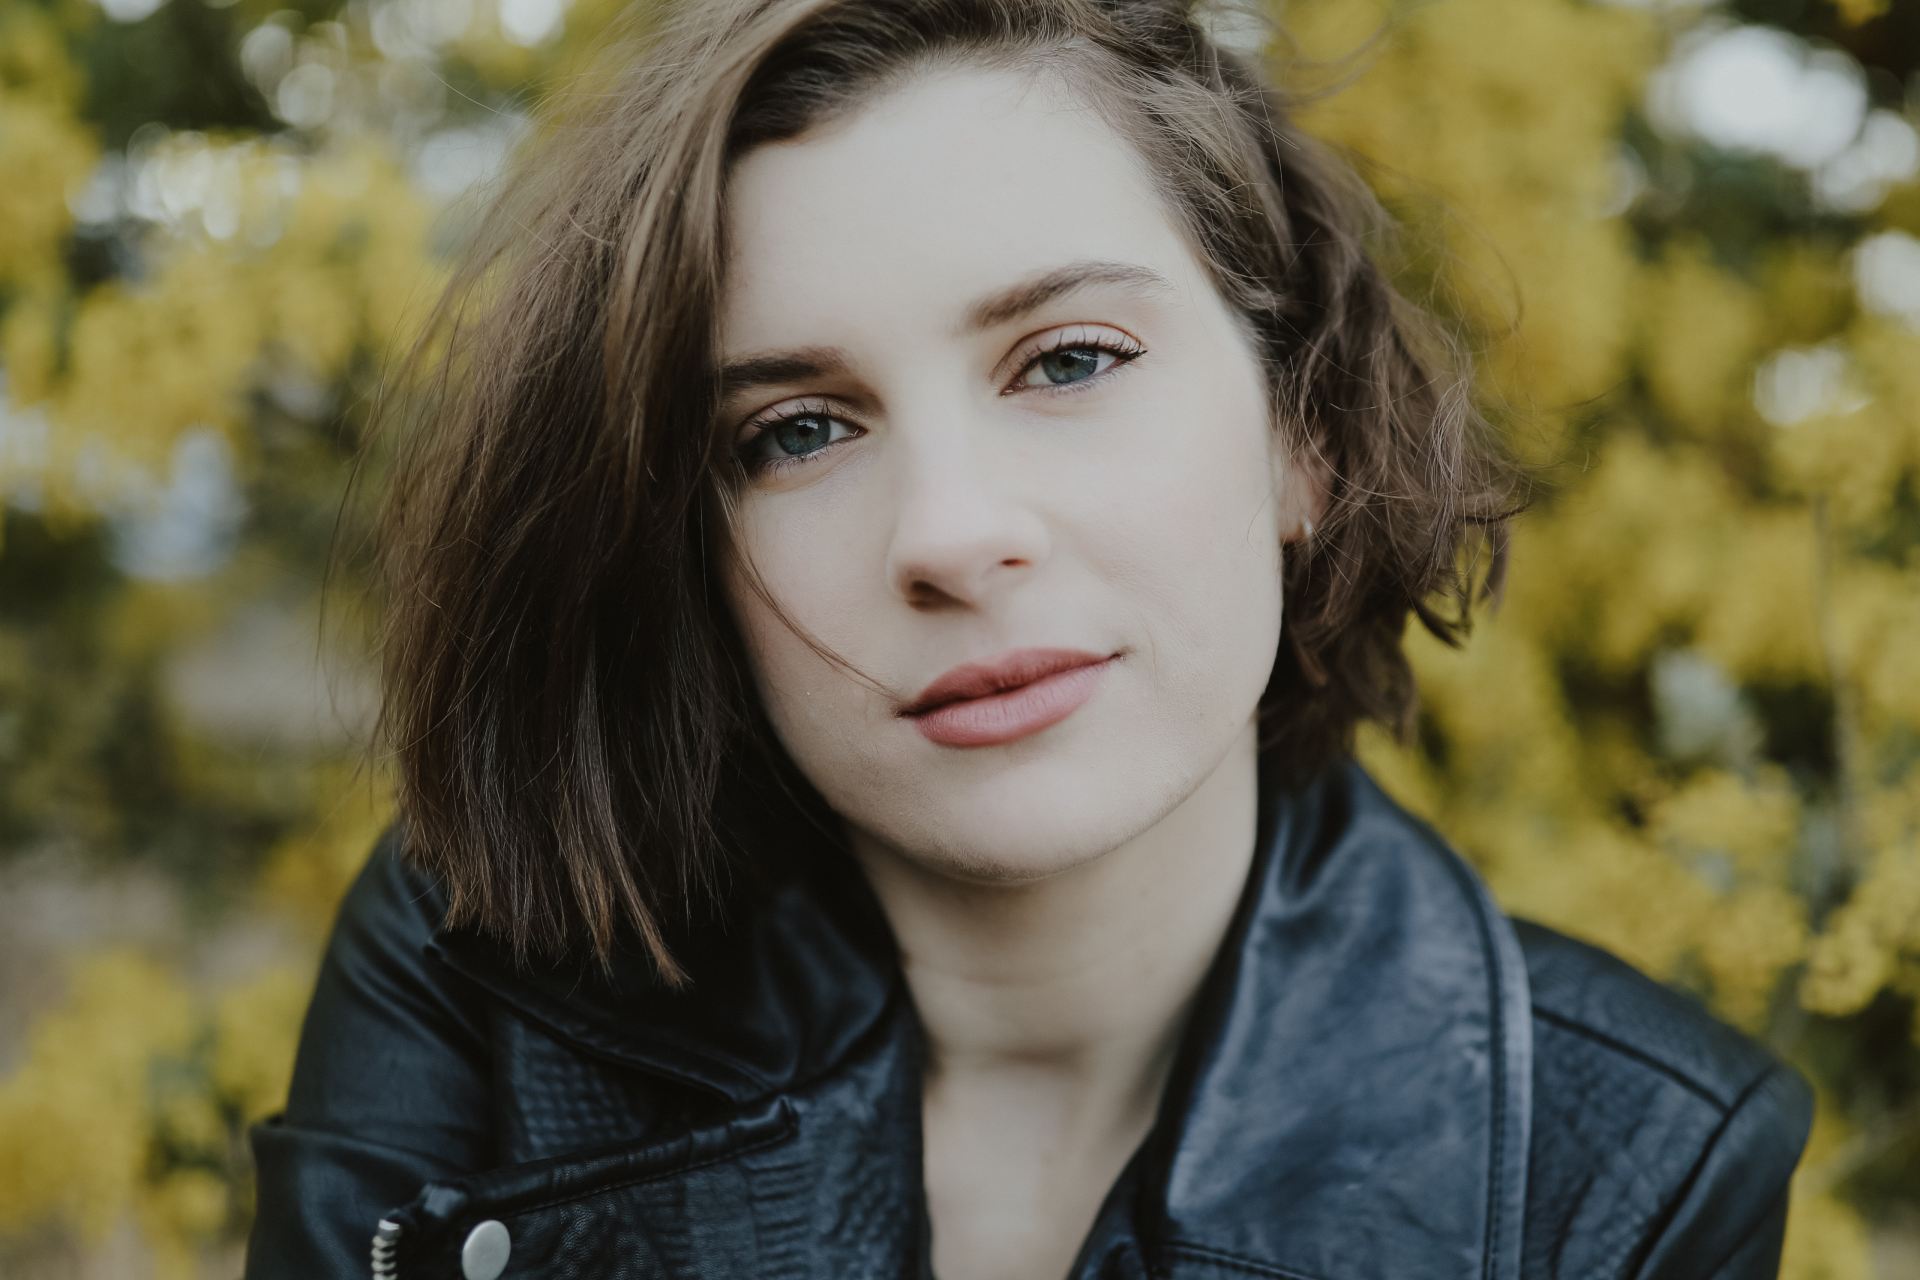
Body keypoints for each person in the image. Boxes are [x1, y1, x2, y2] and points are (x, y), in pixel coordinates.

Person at [244, 1, 1815, 1277]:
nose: (946, 532)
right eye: (794, 434)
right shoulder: (491, 962)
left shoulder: (1638, 1166)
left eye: (1067, 361)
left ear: (1303, 435)